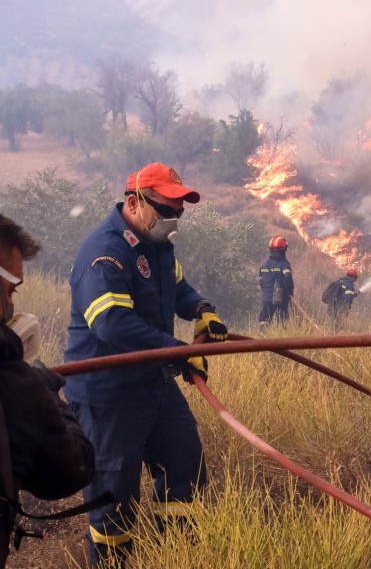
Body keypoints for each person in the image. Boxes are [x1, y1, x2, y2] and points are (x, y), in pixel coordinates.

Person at [62, 162, 228, 566]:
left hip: (153, 383)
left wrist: (201, 309)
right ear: (135, 202)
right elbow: (113, 326)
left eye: (180, 210)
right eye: (167, 208)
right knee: (113, 499)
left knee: (184, 465)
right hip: (109, 395)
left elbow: (176, 285)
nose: (174, 218)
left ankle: (169, 554)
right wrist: (180, 352)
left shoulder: (157, 245)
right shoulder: (105, 252)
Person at [0, 214, 95, 568]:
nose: (11, 308)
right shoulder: (17, 390)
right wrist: (47, 393)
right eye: (10, 290)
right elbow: (73, 470)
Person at [258, 235, 295, 327]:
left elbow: (261, 283)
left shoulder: (264, 265)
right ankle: (281, 338)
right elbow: (288, 279)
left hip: (266, 298)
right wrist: (289, 293)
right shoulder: (284, 265)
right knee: (282, 322)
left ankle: (263, 338)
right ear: (283, 250)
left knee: (264, 320)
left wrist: (267, 292)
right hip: (280, 299)